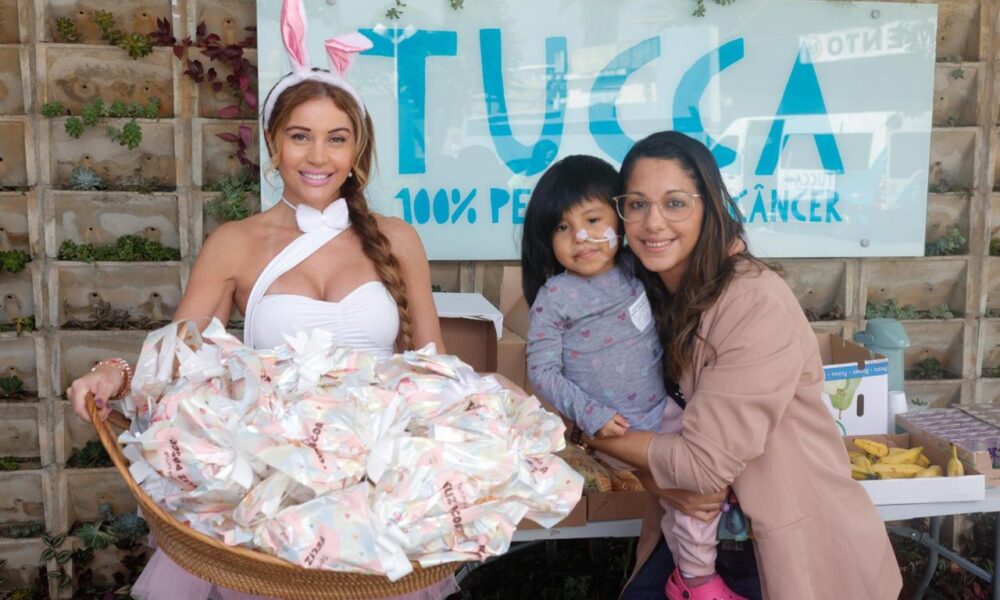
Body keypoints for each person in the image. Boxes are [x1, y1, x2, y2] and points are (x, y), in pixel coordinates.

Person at [66, 2, 455, 598]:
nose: (318, 157)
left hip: (376, 480)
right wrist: (113, 374)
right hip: (272, 482)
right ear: (274, 144)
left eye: (336, 139)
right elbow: (175, 360)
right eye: (300, 137)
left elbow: (435, 370)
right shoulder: (235, 242)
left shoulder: (398, 239)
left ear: (356, 150)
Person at [586, 131, 902, 599]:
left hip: (777, 550)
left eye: (675, 203)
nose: (653, 222)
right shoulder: (645, 296)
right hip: (691, 538)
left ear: (709, 208)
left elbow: (701, 468)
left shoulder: (753, 301)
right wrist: (653, 475)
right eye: (637, 204)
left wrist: (591, 431)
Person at [521, 155, 745, 600]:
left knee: (709, 485)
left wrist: (730, 247)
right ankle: (696, 581)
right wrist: (590, 414)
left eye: (592, 220)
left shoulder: (635, 267)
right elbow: (541, 370)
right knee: (690, 504)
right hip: (617, 430)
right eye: (563, 227)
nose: (580, 237)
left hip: (665, 410)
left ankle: (704, 560)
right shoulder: (555, 296)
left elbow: (695, 257)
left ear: (620, 221)